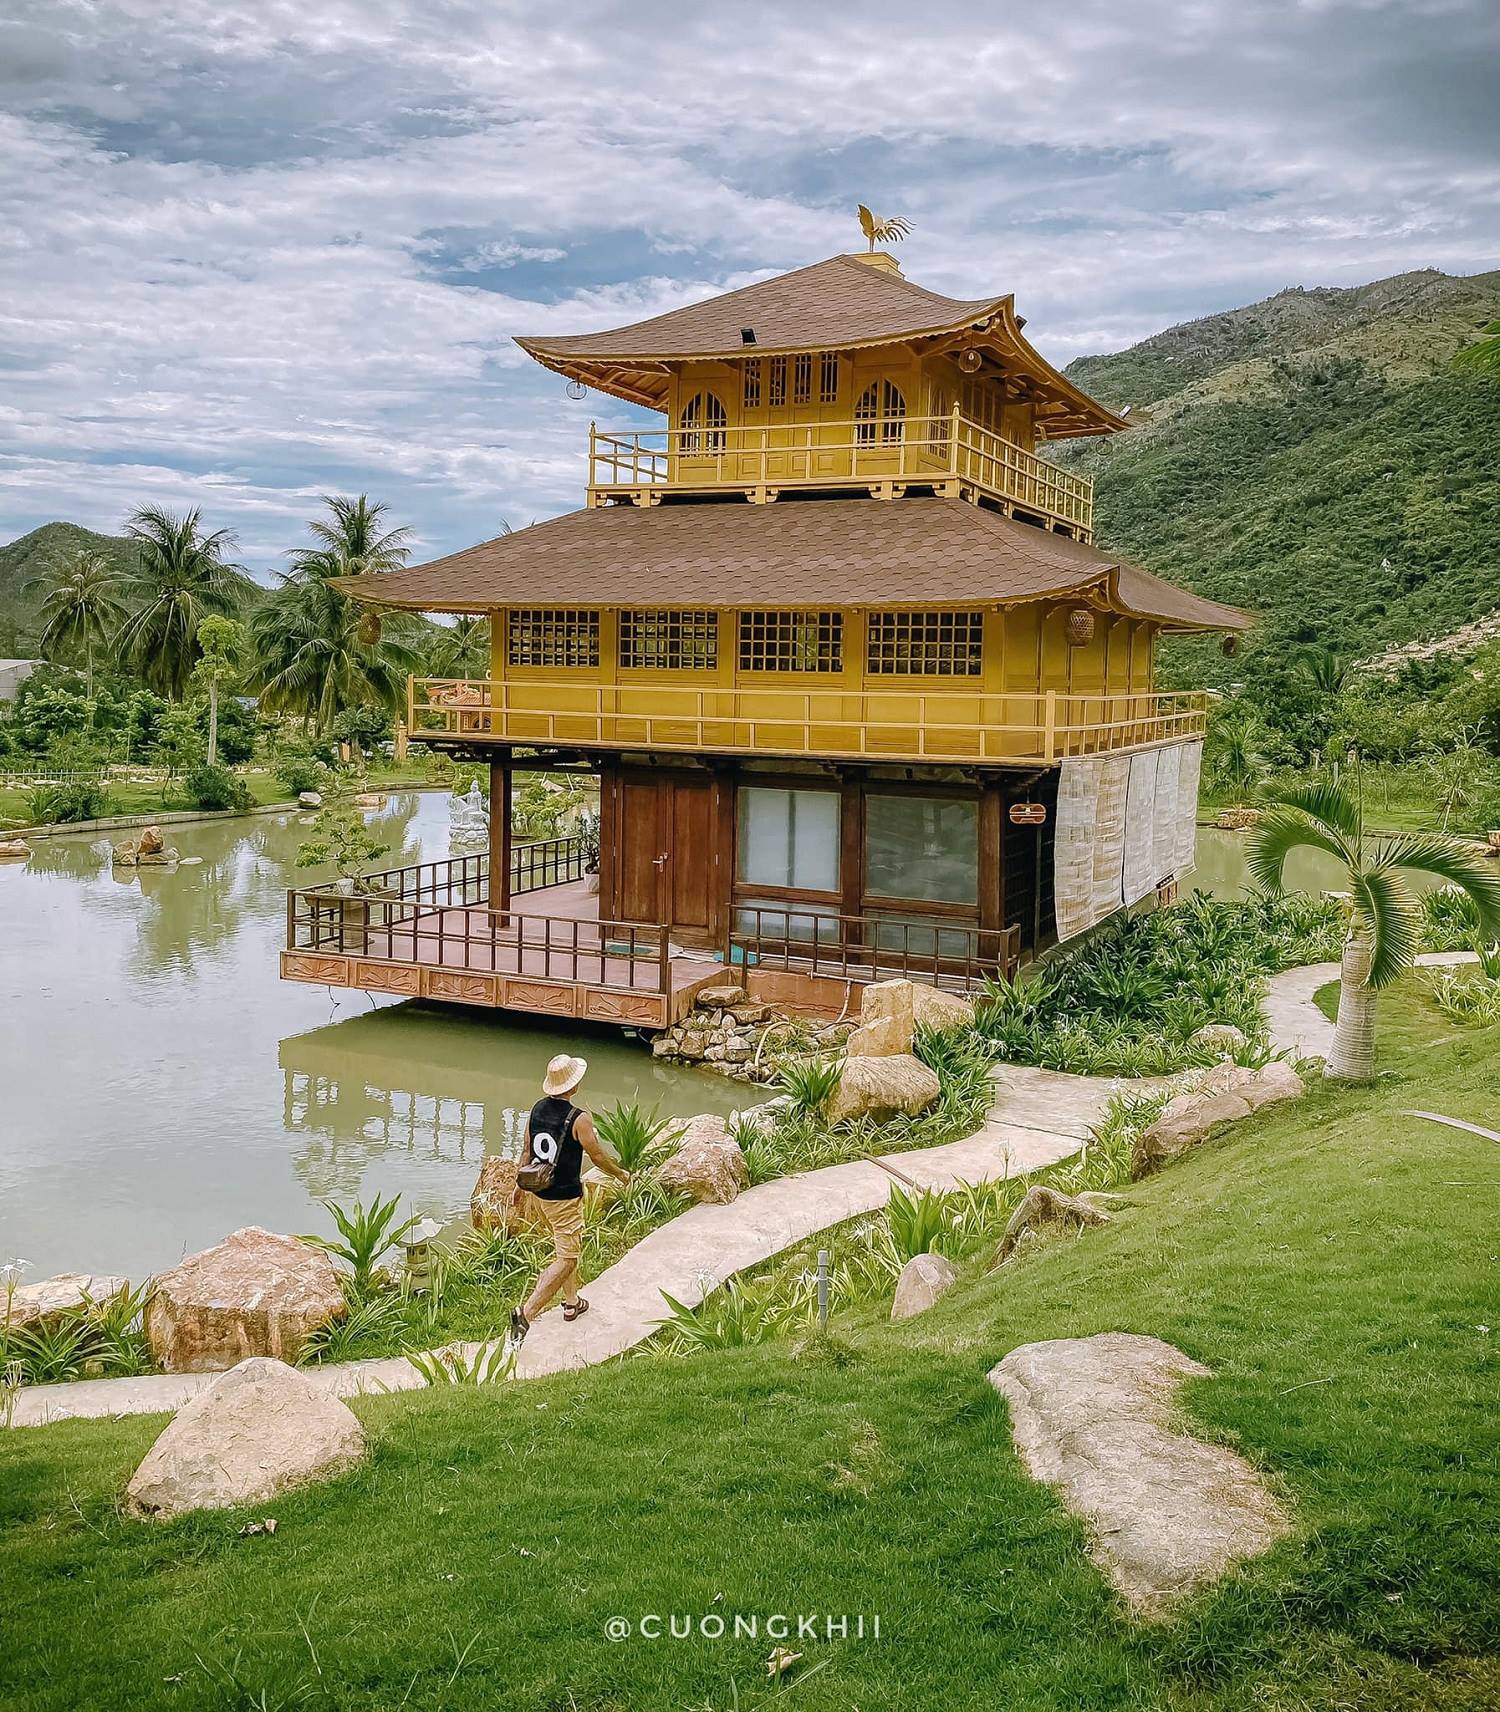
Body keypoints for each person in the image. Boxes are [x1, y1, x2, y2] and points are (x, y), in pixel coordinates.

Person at [509, 1054, 630, 1346]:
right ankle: (526, 1313)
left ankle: (572, 1302)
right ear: (573, 1086)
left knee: (565, 1245)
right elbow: (598, 1156)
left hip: (539, 1192)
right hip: (563, 1197)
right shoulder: (579, 1118)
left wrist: (518, 1185)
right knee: (568, 1257)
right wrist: (622, 1175)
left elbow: (527, 1149)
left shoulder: (537, 1109)